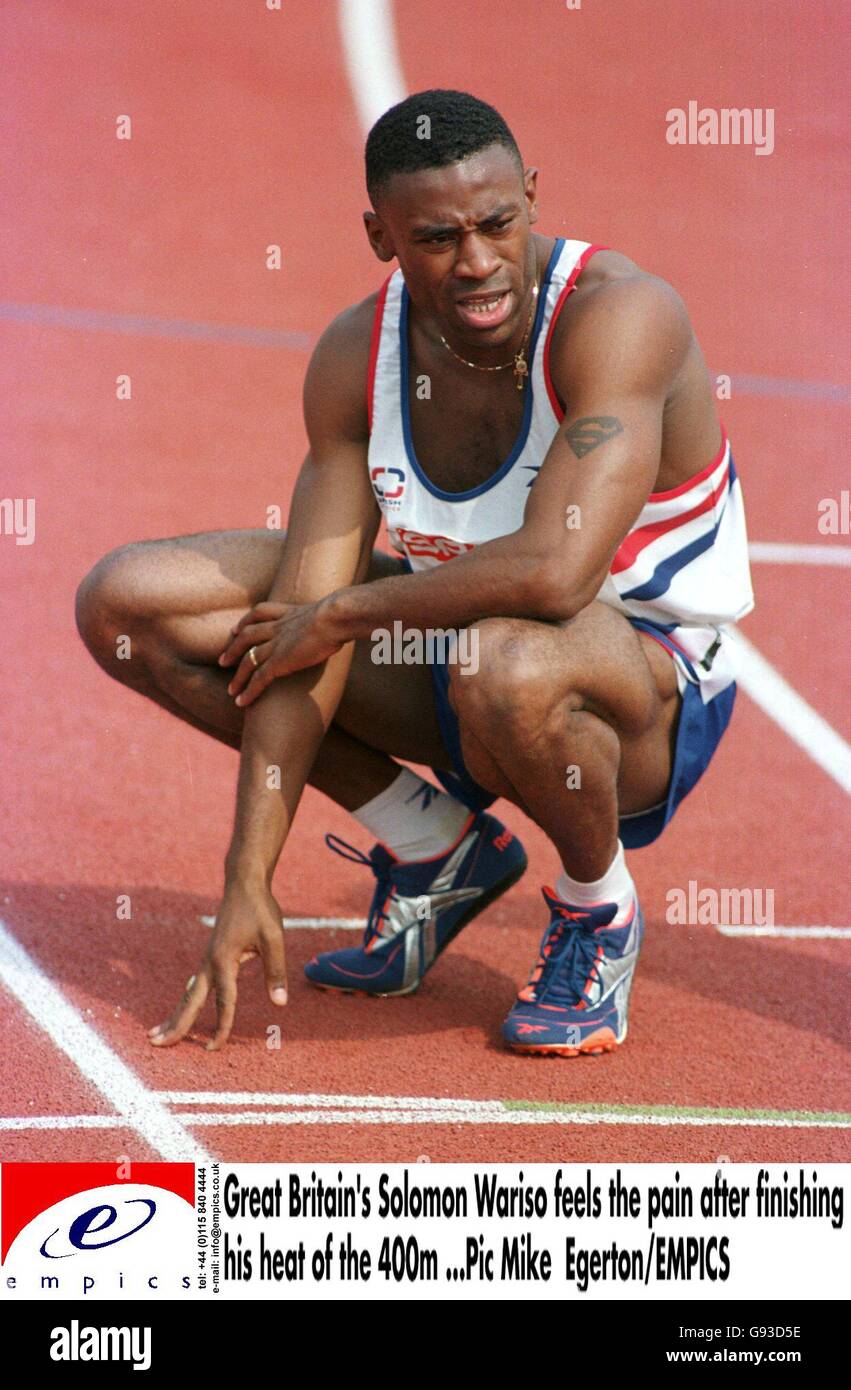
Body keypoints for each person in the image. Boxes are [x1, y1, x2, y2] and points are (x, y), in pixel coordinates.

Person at [75, 90, 753, 1055]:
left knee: (504, 659)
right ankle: (436, 847)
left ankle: (595, 908)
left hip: (636, 692)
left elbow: (558, 576)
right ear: (379, 235)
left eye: (496, 224)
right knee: (131, 602)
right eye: (436, 237)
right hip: (451, 643)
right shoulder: (356, 354)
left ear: (531, 196)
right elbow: (293, 627)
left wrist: (348, 611)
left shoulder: (621, 316)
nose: (477, 263)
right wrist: (247, 877)